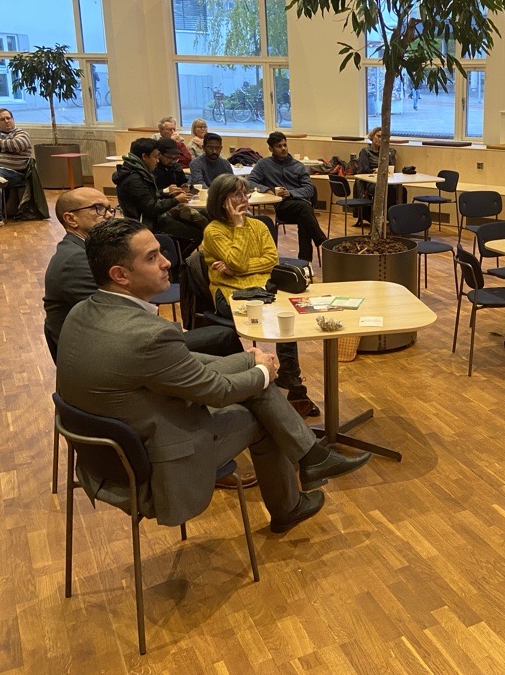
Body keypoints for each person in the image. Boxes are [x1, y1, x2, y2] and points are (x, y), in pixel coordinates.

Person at [55, 218, 372, 532]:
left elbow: (182, 365)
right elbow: (217, 392)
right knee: (264, 416)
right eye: (152, 257)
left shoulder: (81, 313)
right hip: (150, 463)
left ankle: (312, 460)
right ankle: (293, 496)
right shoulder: (147, 335)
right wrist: (263, 372)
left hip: (105, 456)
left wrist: (248, 361)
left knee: (253, 381)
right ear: (120, 275)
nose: (167, 262)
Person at [42, 188, 256, 489]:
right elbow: (113, 320)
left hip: (117, 351)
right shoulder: (75, 260)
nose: (108, 215)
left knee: (235, 357)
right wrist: (168, 335)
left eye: (110, 208)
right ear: (71, 219)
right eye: (98, 209)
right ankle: (217, 437)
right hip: (115, 362)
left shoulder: (83, 250)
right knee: (223, 339)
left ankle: (236, 391)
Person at [201, 174, 320, 418]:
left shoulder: (259, 226)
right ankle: (253, 384)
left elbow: (270, 260)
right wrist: (238, 228)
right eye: (236, 195)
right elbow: (238, 261)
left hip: (264, 289)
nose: (244, 199)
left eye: (244, 193)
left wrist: (238, 268)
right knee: (272, 314)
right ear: (222, 201)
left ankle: (290, 378)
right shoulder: (213, 231)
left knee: (287, 316)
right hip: (230, 293)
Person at [247, 132, 327, 262]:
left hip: (300, 205)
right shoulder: (263, 164)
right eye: (279, 146)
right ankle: (321, 240)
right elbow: (250, 182)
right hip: (282, 206)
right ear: (271, 149)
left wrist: (291, 193)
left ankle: (304, 261)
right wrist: (267, 189)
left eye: (285, 145)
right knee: (305, 209)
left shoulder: (298, 166)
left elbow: (309, 189)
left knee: (304, 217)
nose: (283, 148)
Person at [112, 137, 206, 244]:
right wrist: (176, 200)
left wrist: (168, 193)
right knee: (196, 234)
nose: (157, 161)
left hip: (153, 217)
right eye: (155, 157)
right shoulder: (135, 178)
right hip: (146, 223)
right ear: (144, 156)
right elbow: (152, 209)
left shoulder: (138, 172)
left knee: (197, 223)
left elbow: (148, 197)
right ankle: (171, 253)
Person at [354, 126, 401, 224]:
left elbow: (391, 168)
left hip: (386, 180)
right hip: (370, 182)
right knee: (389, 190)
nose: (380, 139)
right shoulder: (365, 151)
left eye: (383, 137)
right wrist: (377, 171)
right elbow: (364, 169)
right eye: (378, 136)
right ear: (372, 136)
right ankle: (386, 217)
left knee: (400, 189)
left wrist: (385, 169)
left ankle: (397, 217)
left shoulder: (386, 152)